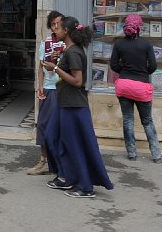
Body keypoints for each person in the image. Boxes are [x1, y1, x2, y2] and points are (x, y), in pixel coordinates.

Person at [42, 16, 114, 198]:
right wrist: (56, 62)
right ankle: (66, 176)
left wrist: (56, 68)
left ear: (66, 31)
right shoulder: (69, 50)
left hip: (74, 106)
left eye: (58, 28)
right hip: (65, 103)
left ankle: (85, 187)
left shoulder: (74, 52)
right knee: (53, 137)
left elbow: (77, 81)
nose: (55, 30)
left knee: (74, 145)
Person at [109, 13, 162, 163]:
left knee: (128, 119)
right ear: (140, 27)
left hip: (124, 85)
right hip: (142, 87)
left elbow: (113, 65)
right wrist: (142, 72)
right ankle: (156, 155)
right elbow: (152, 66)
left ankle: (132, 153)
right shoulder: (146, 45)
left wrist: (126, 71)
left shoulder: (119, 44)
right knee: (147, 121)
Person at [27, 10, 64, 176]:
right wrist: (40, 86)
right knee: (43, 124)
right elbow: (41, 67)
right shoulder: (45, 43)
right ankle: (43, 159)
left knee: (62, 127)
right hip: (48, 89)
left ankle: (59, 163)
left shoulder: (67, 44)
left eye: (59, 24)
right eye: (53, 24)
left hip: (63, 89)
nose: (56, 27)